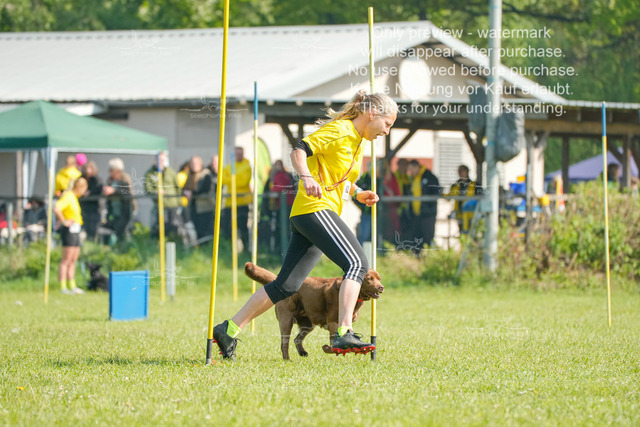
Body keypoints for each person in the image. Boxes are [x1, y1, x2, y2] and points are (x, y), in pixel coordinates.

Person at [213, 91, 397, 360]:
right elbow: (299, 150)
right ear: (372, 114)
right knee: (357, 264)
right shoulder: (340, 130)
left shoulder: (357, 141)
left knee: (286, 285)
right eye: (387, 124)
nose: (387, 131)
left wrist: (357, 192)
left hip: (308, 214)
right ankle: (344, 332)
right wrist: (306, 177)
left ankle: (228, 329)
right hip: (314, 209)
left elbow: (336, 176)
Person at [53, 177, 88, 294]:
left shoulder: (74, 198)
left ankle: (72, 285)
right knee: (66, 259)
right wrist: (63, 221)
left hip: (76, 230)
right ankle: (63, 287)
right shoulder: (68, 196)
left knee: (73, 259)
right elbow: (57, 208)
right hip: (69, 231)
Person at [221, 147, 252, 252]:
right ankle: (228, 249)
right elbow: (223, 179)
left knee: (243, 227)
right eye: (237, 154)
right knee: (227, 227)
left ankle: (246, 249)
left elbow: (243, 181)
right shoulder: (229, 167)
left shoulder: (247, 166)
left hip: (242, 202)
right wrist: (236, 178)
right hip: (230, 202)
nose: (239, 156)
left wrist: (231, 178)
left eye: (240, 154)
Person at [144, 152, 182, 237]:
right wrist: (156, 192)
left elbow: (178, 188)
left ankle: (173, 241)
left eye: (162, 160)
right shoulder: (150, 174)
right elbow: (148, 189)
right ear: (154, 160)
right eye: (159, 160)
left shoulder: (171, 172)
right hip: (160, 205)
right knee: (160, 227)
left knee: (174, 225)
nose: (160, 162)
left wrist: (179, 203)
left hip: (172, 204)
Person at [407, 160, 441, 253]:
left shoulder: (429, 177)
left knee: (427, 237)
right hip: (416, 214)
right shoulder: (414, 179)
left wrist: (428, 207)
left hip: (427, 215)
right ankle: (417, 257)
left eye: (411, 169)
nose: (410, 172)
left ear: (416, 167)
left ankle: (428, 256)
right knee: (416, 238)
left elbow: (436, 192)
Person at [103, 158, 133, 244]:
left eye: (111, 170)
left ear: (117, 171)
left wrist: (114, 191)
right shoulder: (110, 181)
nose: (109, 172)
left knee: (123, 233)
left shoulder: (125, 180)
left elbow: (127, 193)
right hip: (114, 213)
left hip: (124, 213)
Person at [186, 156, 215, 240]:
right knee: (197, 229)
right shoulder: (190, 175)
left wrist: (192, 192)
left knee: (205, 230)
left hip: (205, 208)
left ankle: (206, 245)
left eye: (196, 163)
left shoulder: (206, 174)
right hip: (194, 207)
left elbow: (204, 189)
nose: (194, 165)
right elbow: (185, 187)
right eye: (192, 163)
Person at [446, 165, 477, 233]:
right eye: (459, 171)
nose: (461, 173)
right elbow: (448, 197)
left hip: (471, 214)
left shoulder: (475, 185)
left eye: (463, 171)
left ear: (467, 172)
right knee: (461, 232)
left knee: (472, 232)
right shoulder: (455, 185)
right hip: (459, 213)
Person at [80, 160, 103, 241]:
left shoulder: (96, 179)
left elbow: (99, 189)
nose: (87, 170)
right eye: (86, 168)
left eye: (89, 168)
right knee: (84, 226)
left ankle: (92, 241)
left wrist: (90, 192)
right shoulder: (81, 178)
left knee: (93, 227)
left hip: (94, 208)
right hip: (84, 206)